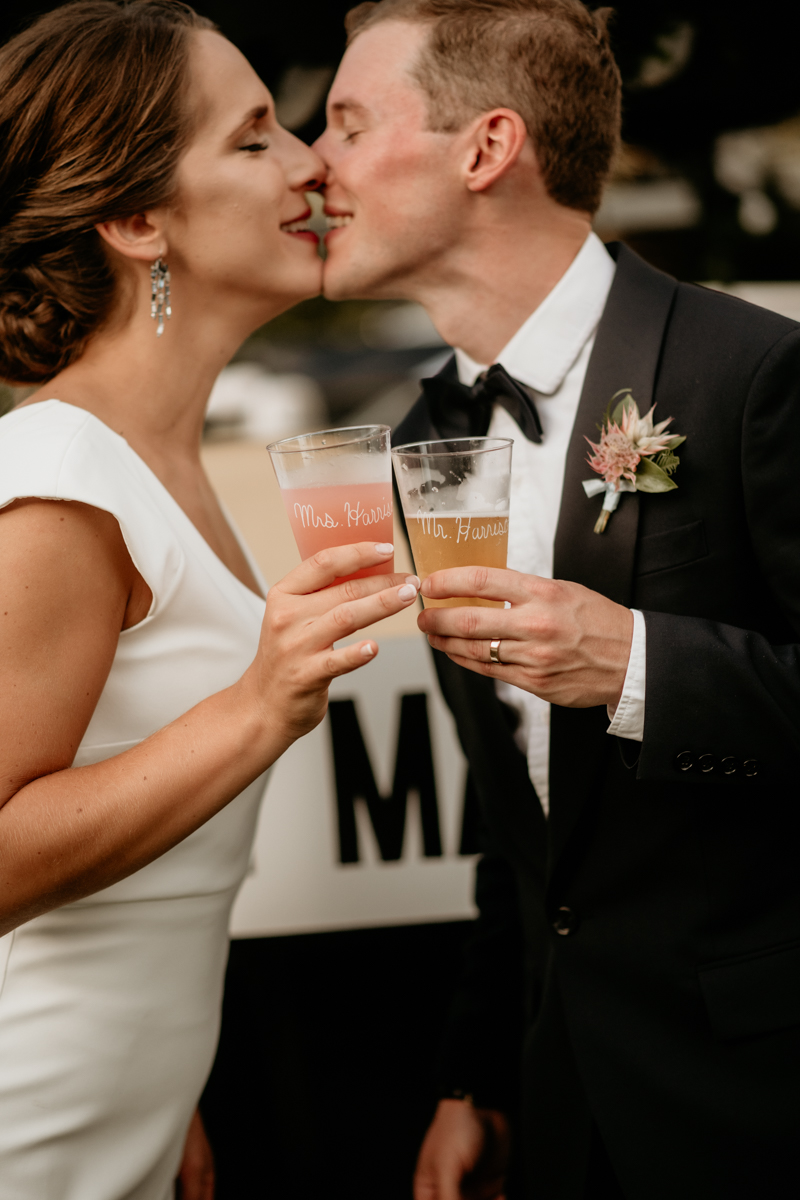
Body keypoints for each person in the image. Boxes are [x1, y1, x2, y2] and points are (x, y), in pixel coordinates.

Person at [314, 2, 800, 1197]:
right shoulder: (429, 435)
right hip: (561, 1094)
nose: (309, 162)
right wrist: (476, 1075)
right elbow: (521, 811)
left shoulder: (751, 373)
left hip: (760, 1089)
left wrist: (636, 663)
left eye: (344, 121)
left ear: (485, 150)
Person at [0, 3, 421, 1197]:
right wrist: (258, 702)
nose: (308, 164)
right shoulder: (60, 483)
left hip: (115, 1109)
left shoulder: (154, 464)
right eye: (252, 140)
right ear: (137, 220)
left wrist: (161, 1092)